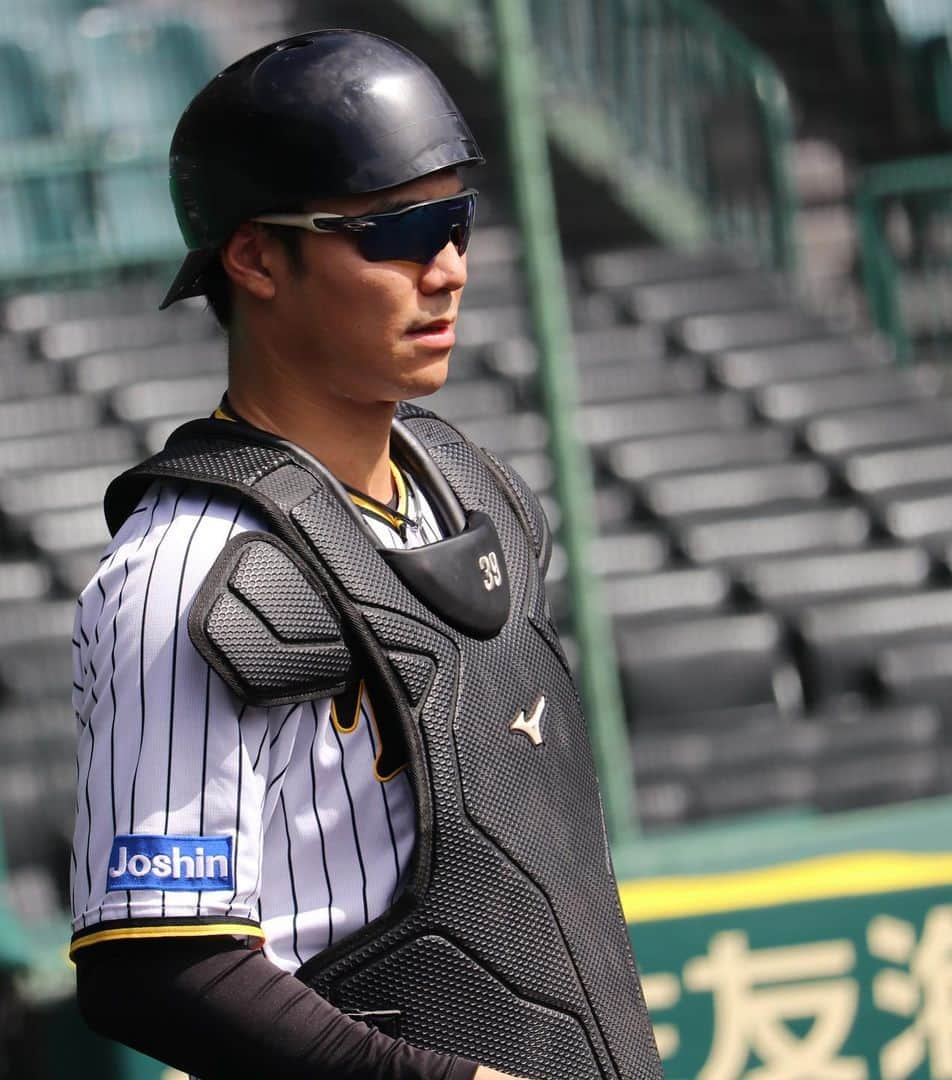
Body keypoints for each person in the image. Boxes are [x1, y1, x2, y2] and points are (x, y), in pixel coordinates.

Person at [68, 27, 662, 1080]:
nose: (448, 271)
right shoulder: (184, 571)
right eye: (402, 230)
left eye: (460, 224)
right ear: (255, 256)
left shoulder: (471, 492)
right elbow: (159, 962)